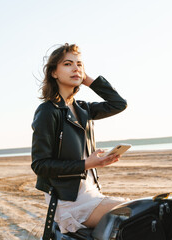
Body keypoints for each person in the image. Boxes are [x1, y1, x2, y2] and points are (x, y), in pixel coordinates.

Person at [31, 43, 128, 234]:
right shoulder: (48, 111)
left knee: (148, 212)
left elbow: (118, 104)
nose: (76, 68)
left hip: (94, 194)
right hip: (69, 202)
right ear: (54, 73)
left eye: (80, 64)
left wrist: (88, 80)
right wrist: (86, 164)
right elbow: (40, 165)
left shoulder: (84, 108)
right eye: (68, 64)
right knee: (140, 213)